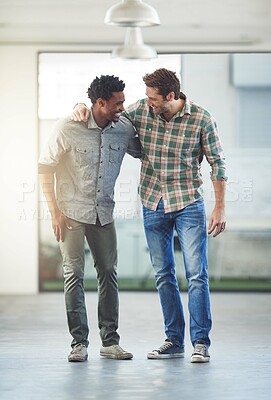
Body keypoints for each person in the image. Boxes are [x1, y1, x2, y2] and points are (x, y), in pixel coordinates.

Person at [72, 68, 227, 363]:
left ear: (171, 96)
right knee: (163, 274)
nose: (147, 102)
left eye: (153, 98)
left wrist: (220, 207)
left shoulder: (201, 119)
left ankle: (200, 343)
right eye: (146, 97)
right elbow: (107, 113)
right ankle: (174, 340)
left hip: (188, 203)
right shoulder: (142, 111)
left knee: (196, 274)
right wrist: (78, 106)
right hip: (152, 202)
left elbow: (217, 164)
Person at [38, 75, 141, 362]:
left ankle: (110, 342)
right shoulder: (68, 127)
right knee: (74, 274)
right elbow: (44, 168)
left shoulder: (123, 130)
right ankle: (78, 343)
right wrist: (54, 213)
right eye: (117, 102)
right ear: (100, 102)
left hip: (103, 212)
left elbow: (145, 151)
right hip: (70, 212)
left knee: (109, 272)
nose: (122, 107)